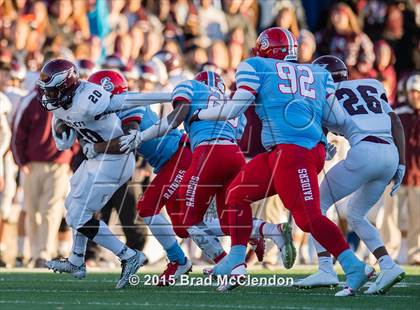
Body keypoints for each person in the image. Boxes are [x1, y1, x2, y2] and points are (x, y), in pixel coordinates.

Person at [189, 27, 373, 296]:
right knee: (236, 194)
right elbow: (338, 120)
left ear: (265, 50)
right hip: (286, 151)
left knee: (307, 218)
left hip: (294, 152)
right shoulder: (318, 73)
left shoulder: (256, 66)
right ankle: (236, 258)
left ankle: (354, 266)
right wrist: (358, 139)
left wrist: (201, 114)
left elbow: (235, 108)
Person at [37, 59, 169, 288]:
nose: (49, 95)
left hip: (115, 160)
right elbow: (63, 142)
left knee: (77, 215)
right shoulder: (60, 103)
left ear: (67, 85)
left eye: (53, 89)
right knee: (72, 205)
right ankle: (76, 260)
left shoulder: (91, 98)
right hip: (95, 158)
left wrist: (170, 96)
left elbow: (129, 100)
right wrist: (61, 127)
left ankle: (129, 255)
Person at [294, 55, 406, 295]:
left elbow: (316, 127)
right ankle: (387, 265)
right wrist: (402, 163)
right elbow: (394, 120)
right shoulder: (372, 84)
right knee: (357, 214)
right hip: (390, 154)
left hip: (363, 153)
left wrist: (321, 143)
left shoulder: (324, 97)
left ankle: (326, 267)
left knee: (315, 207)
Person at [394, 73, 420, 265]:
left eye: (418, 93)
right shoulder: (399, 112)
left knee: (417, 218)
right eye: (412, 92)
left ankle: (414, 253)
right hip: (398, 173)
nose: (415, 96)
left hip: (418, 175)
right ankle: (389, 251)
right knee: (391, 217)